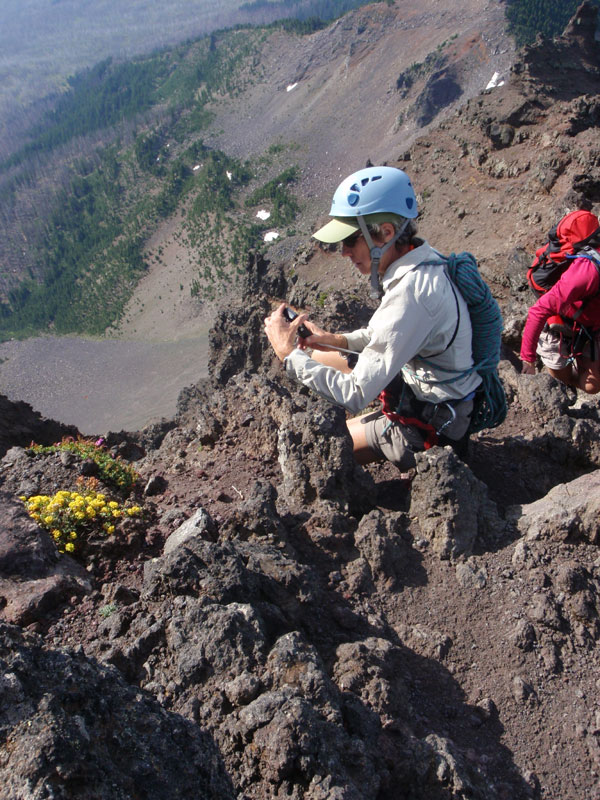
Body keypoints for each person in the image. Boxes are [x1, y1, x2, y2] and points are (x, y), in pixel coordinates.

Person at [263, 166, 482, 470]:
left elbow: (353, 395)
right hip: (425, 391)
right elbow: (386, 333)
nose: (344, 252)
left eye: (351, 240)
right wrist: (336, 341)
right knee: (319, 356)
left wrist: (287, 354)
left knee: (325, 448)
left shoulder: (412, 294)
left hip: (431, 427)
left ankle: (406, 445)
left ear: (387, 233)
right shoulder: (420, 263)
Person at [520, 221, 600, 394]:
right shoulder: (584, 276)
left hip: (590, 324)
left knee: (592, 386)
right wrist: (528, 360)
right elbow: (538, 311)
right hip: (558, 327)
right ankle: (566, 385)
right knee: (561, 378)